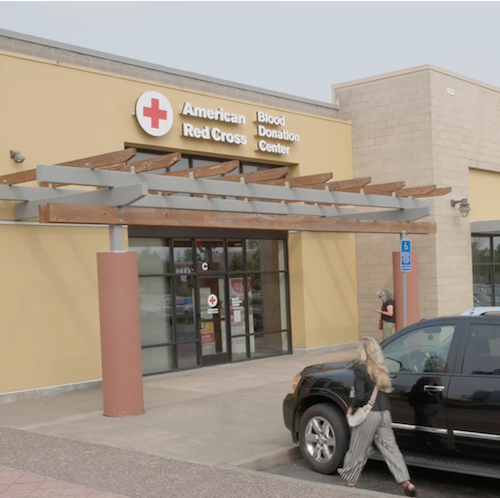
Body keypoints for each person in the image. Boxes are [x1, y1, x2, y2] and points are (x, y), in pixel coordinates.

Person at [338, 337, 417, 497]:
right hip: (384, 412)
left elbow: (360, 396)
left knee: (357, 449)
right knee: (391, 449)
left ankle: (350, 483)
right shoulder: (380, 368)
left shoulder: (361, 369)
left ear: (363, 351)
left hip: (369, 415)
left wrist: (351, 408)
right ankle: (406, 482)